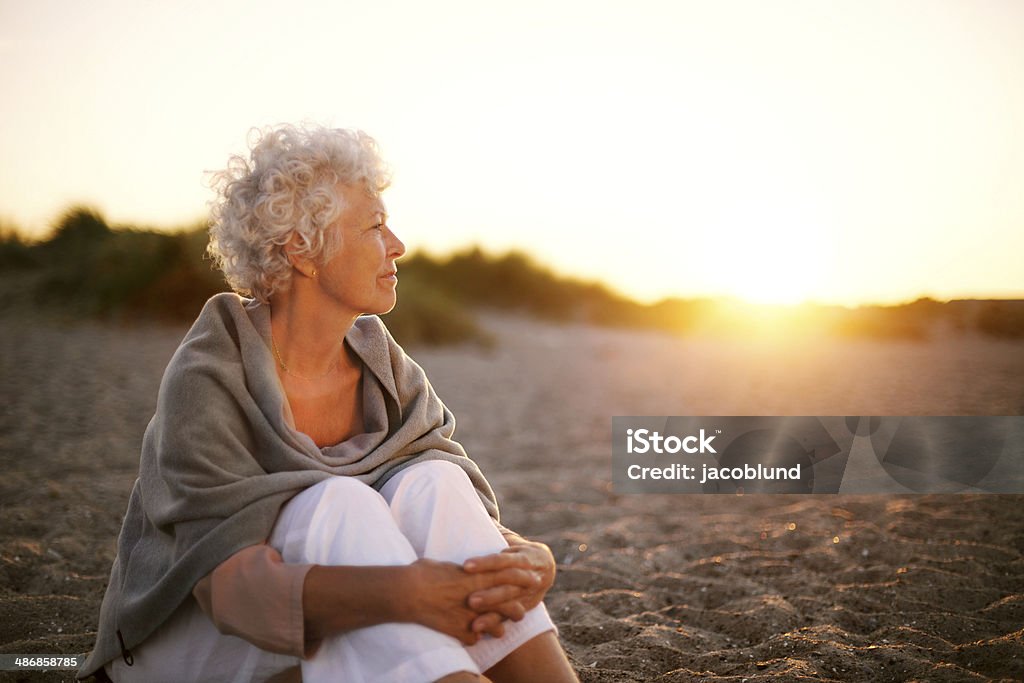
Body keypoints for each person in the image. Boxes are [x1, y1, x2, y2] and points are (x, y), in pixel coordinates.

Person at [79, 124, 579, 683]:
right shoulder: (211, 374)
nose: (398, 245)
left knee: (434, 481)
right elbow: (228, 589)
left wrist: (526, 557)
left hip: (330, 620)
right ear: (302, 249)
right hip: (189, 643)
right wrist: (403, 594)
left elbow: (452, 511)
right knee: (340, 501)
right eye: (374, 225)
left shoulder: (382, 364)